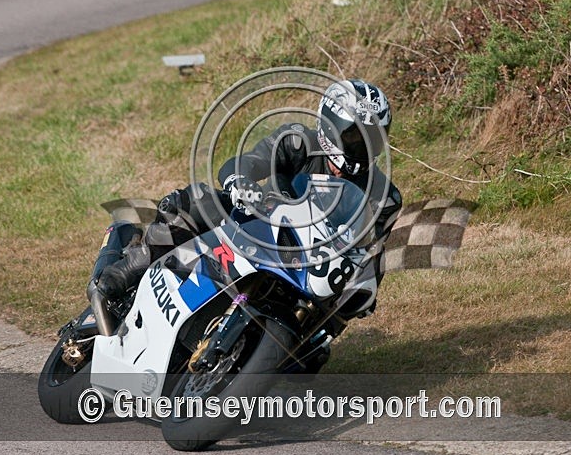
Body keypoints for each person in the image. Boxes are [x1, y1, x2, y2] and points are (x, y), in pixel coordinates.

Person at [88, 79, 402, 331]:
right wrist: (240, 181)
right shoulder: (296, 141)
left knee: (318, 348)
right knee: (195, 201)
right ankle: (127, 270)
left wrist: (365, 288)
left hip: (313, 274)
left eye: (372, 139)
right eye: (354, 137)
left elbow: (373, 256)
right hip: (257, 229)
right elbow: (247, 162)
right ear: (328, 126)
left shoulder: (384, 198)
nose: (361, 147)